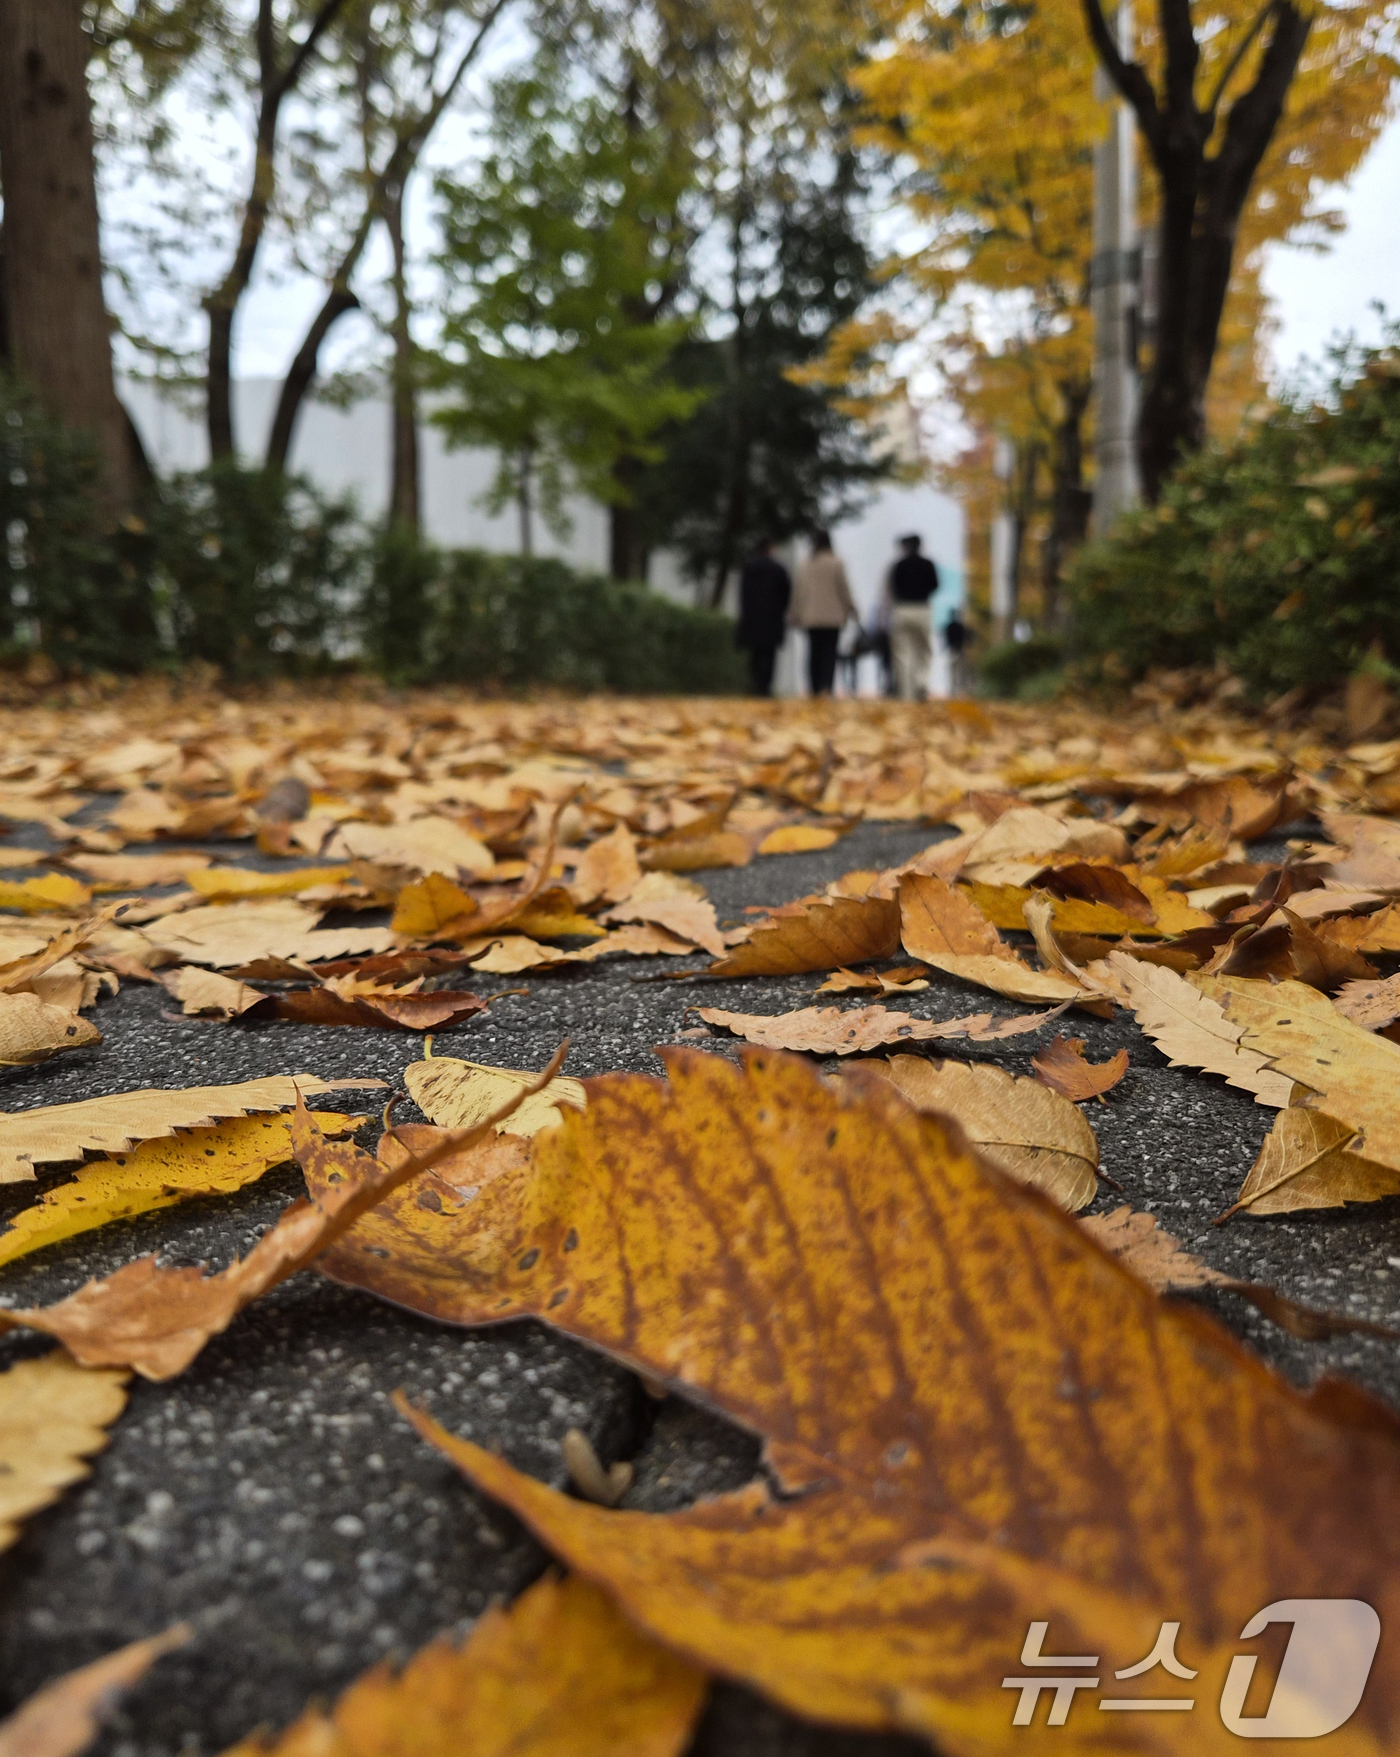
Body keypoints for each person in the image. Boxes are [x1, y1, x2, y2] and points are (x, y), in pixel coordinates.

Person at [790, 529, 856, 696]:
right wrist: (851, 609)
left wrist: (794, 613)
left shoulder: (806, 564)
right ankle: (826, 687)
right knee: (829, 654)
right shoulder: (836, 563)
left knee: (813, 653)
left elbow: (798, 592)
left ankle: (813, 687)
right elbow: (844, 589)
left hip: (811, 616)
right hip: (833, 617)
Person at [884, 533, 939, 700]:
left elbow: (892, 588)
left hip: (902, 610)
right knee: (923, 650)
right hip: (922, 609)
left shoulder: (898, 566)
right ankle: (921, 684)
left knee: (902, 653)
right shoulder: (928, 564)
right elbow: (935, 585)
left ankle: (906, 693)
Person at [735, 536, 792, 696]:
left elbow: (743, 594)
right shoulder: (779, 569)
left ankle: (755, 684)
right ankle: (765, 687)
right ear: (770, 548)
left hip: (753, 618)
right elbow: (786, 594)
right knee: (769, 655)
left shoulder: (749, 567)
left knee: (755, 654)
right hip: (772, 619)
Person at [942, 611, 971, 697]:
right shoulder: (960, 626)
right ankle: (957, 690)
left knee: (952, 671)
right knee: (959, 672)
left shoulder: (949, 626)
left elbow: (946, 639)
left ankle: (953, 691)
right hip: (959, 651)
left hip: (952, 651)